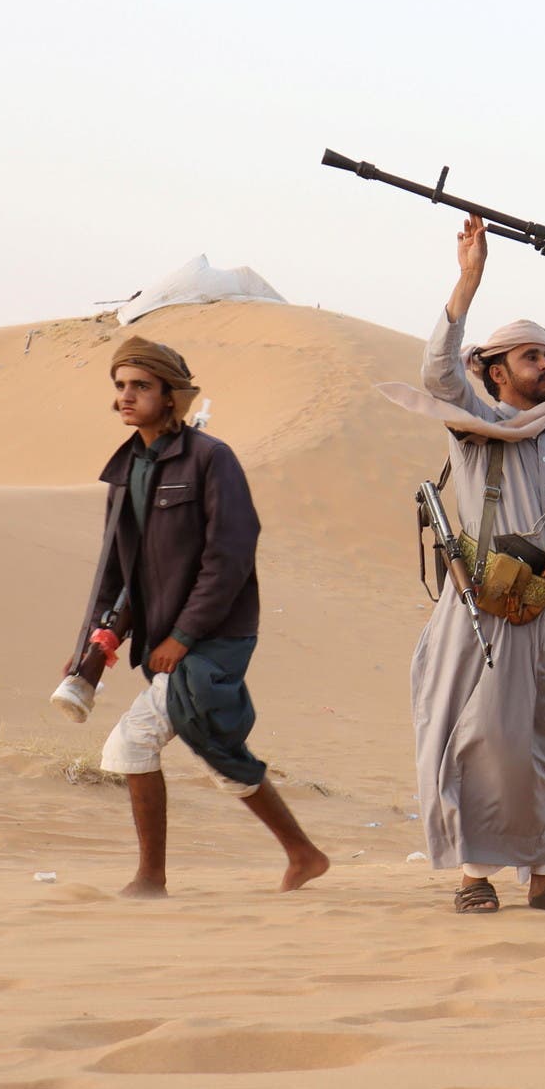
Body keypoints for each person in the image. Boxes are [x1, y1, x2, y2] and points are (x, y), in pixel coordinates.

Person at [382, 214, 545, 912]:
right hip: (480, 609)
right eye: (529, 357)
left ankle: (542, 879)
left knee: (537, 739)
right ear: (496, 371)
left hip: (538, 614)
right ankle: (472, 877)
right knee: (478, 738)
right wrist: (468, 281)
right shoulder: (476, 429)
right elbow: (436, 373)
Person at [69, 337, 328, 897]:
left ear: (171, 395)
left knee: (133, 743)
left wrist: (184, 636)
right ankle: (304, 854)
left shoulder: (211, 459)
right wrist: (88, 653)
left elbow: (229, 554)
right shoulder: (124, 472)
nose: (126, 397)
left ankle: (149, 880)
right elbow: (117, 572)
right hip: (167, 637)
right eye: (120, 386)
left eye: (140, 385)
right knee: (215, 749)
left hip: (216, 633)